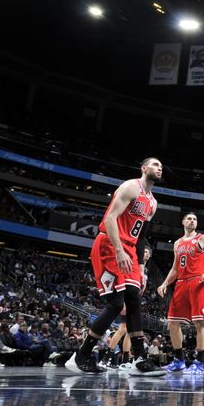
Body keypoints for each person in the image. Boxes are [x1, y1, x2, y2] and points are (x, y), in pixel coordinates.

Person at [66, 157, 165, 376]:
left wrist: (140, 267)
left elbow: (141, 238)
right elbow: (110, 218)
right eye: (155, 164)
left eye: (161, 166)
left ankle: (139, 359)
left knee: (134, 299)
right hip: (109, 244)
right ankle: (81, 356)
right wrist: (119, 249)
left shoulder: (153, 203)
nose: (160, 168)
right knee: (115, 303)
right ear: (144, 168)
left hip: (129, 248)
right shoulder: (131, 186)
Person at [158, 212, 204, 375]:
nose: (192, 221)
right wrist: (164, 283)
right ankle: (179, 360)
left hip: (198, 282)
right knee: (172, 322)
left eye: (195, 219)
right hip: (181, 283)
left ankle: (199, 362)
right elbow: (175, 269)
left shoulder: (202, 238)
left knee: (200, 323)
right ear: (183, 222)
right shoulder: (177, 243)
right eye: (189, 218)